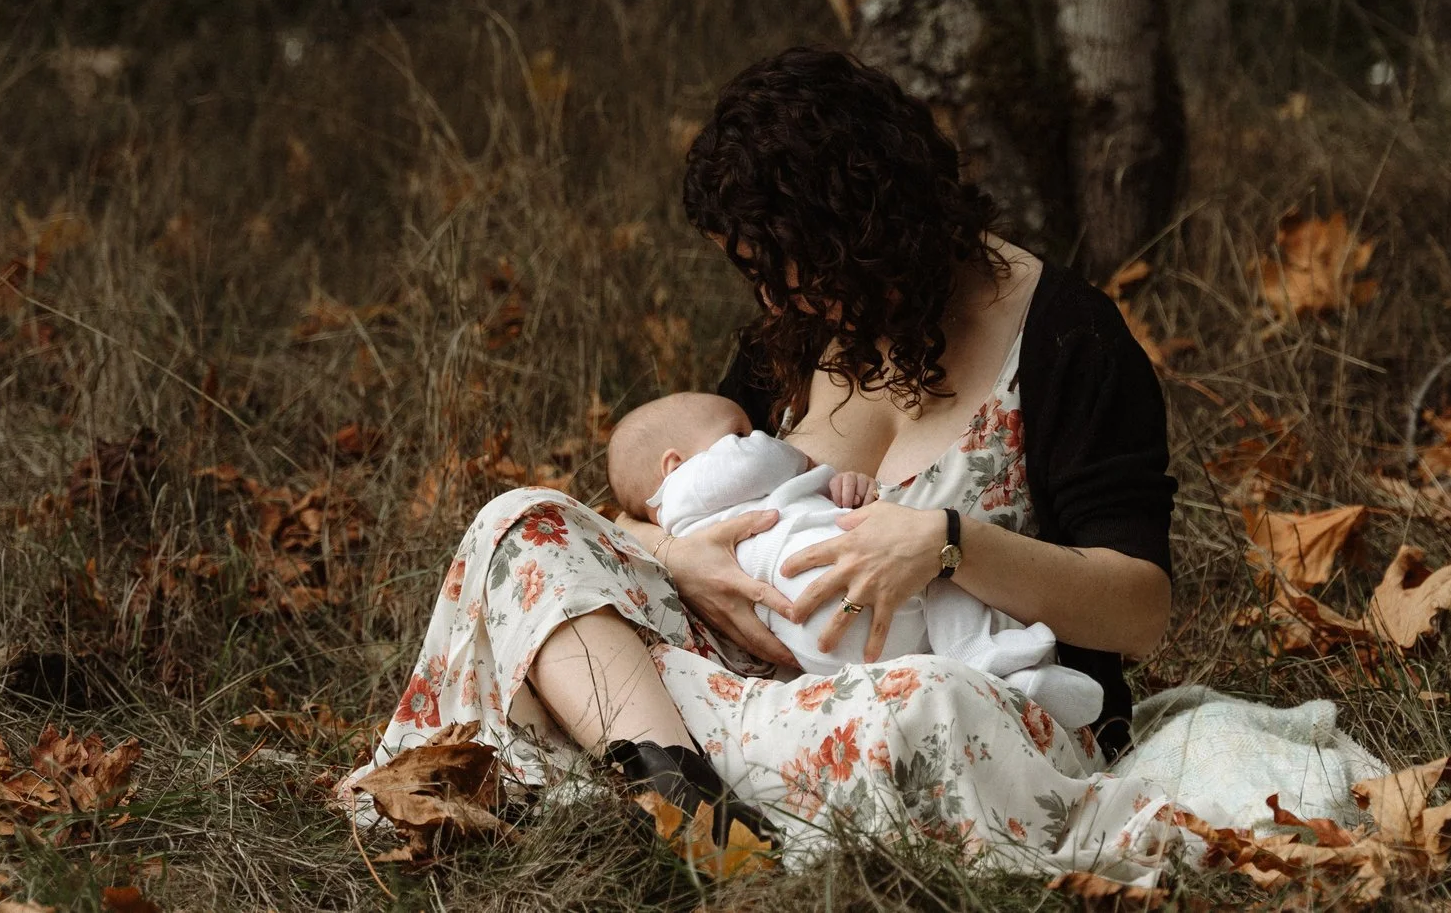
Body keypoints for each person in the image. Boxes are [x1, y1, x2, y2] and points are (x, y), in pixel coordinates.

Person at [341, 47, 1188, 875]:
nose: (780, 302)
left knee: (927, 711)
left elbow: (1140, 609)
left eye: (798, 273)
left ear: (871, 228)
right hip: (742, 689)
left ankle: (616, 779)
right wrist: (683, 559)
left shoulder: (1069, 339)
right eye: (762, 280)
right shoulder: (799, 330)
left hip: (936, 699)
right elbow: (656, 505)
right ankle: (683, 798)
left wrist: (947, 543)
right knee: (521, 525)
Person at [607, 391, 1105, 729]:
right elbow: (762, 461)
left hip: (815, 650)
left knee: (929, 567)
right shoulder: (687, 490)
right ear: (672, 465)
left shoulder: (703, 508)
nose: (757, 436)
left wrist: (848, 488)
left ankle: (1003, 689)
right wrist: (806, 463)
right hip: (828, 595)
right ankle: (1000, 664)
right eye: (739, 431)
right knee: (941, 578)